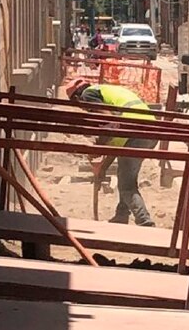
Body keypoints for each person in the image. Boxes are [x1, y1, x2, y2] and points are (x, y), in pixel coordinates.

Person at [65, 79, 158, 227]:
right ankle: (121, 215)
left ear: (77, 98)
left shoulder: (88, 95)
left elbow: (111, 123)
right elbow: (115, 138)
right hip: (151, 131)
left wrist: (98, 147)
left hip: (134, 133)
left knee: (126, 184)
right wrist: (103, 167)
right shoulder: (105, 91)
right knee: (127, 177)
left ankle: (145, 221)